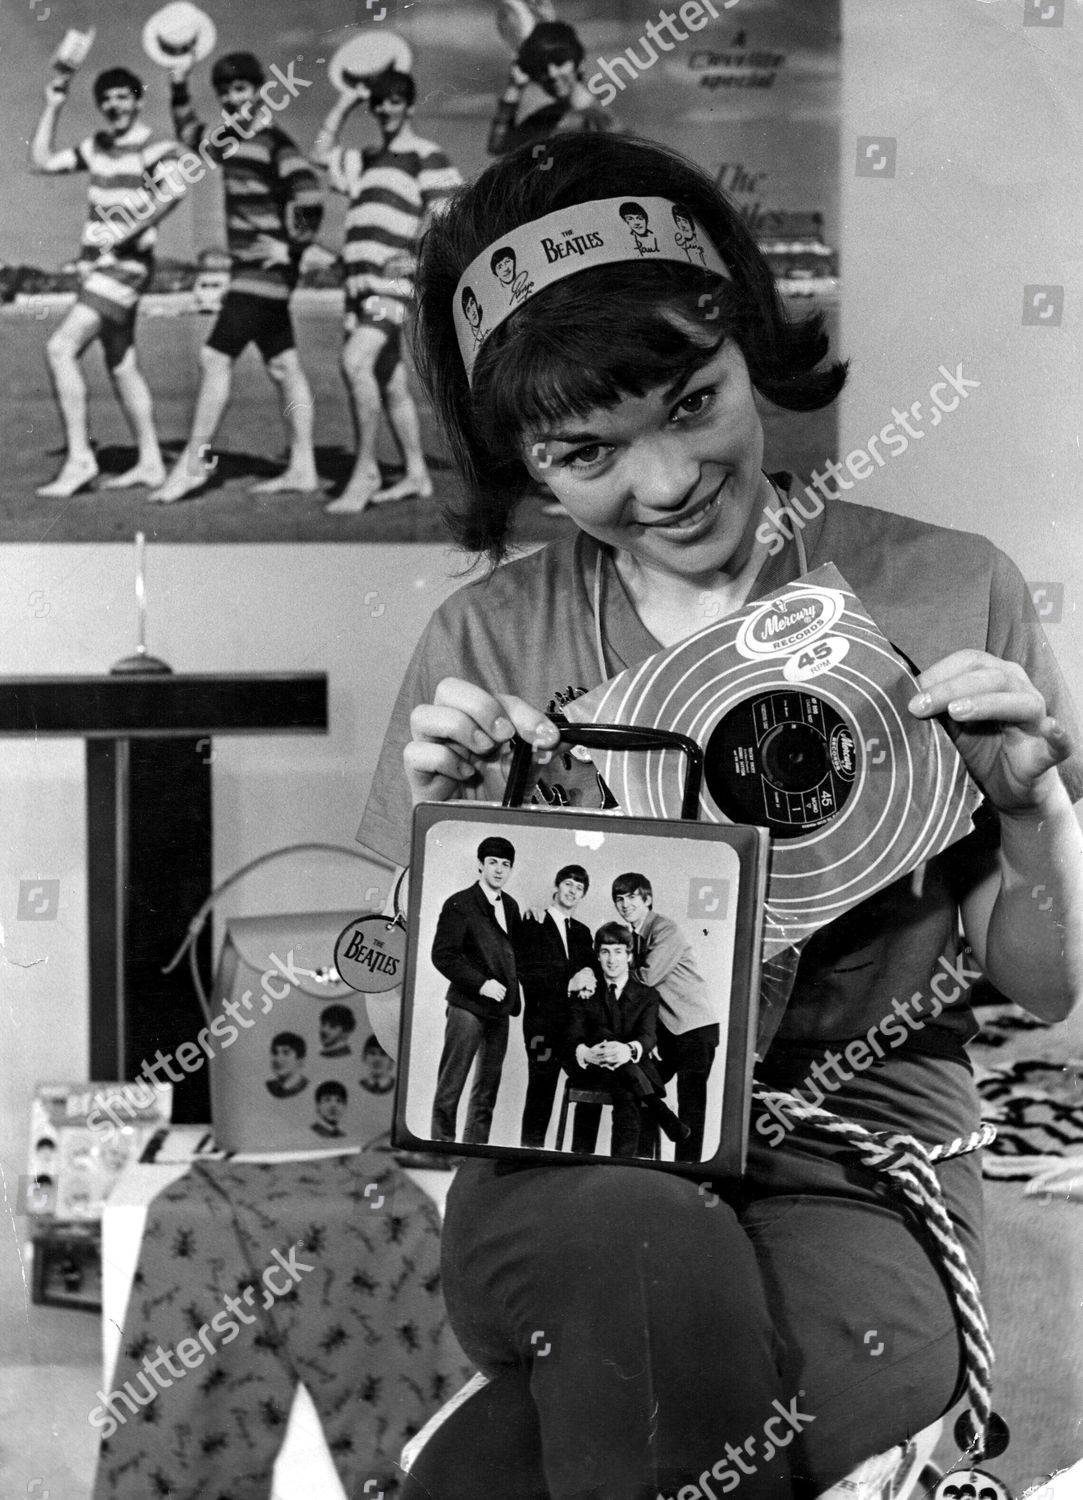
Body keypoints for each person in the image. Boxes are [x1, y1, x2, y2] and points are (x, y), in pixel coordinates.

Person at [356, 133, 1083, 1498]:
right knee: (634, 1227)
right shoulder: (487, 639)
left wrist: (1031, 808)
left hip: (852, 1176)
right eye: (584, 451)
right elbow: (385, 993)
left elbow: (1042, 988)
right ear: (521, 461)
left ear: (747, 346)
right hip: (566, 1165)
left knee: (510, 1463)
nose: (664, 481)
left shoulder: (942, 589)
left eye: (692, 401)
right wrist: (436, 860)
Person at [151, 50, 323, 503]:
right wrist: (178, 84)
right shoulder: (229, 140)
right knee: (283, 365)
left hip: (263, 274)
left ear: (259, 91)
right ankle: (304, 468)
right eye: (225, 92)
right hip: (255, 272)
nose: (231, 99)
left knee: (213, 359)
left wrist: (294, 247)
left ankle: (192, 465)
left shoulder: (273, 141)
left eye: (240, 89)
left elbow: (308, 191)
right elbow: (189, 131)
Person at [28, 62, 185, 497]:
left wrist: (131, 228)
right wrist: (52, 105)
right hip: (97, 267)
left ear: (136, 99)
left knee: (60, 348)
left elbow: (175, 188)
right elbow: (40, 161)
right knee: (122, 364)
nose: (114, 105)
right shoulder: (96, 146)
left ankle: (80, 461)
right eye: (107, 98)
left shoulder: (153, 144)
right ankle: (152, 462)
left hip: (126, 265)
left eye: (122, 96)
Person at [312, 68, 461, 514]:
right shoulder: (364, 158)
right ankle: (416, 473)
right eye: (378, 102)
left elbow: (448, 210)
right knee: (388, 380)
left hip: (392, 283)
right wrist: (346, 100)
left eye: (394, 100)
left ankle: (366, 472)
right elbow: (321, 152)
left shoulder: (426, 155)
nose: (385, 108)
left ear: (409, 104)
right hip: (357, 283)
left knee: (354, 361)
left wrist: (415, 254)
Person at [612, 872, 721, 1162]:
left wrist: (611, 974)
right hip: (668, 1034)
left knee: (691, 1106)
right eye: (619, 899)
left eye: (632, 897)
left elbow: (646, 978)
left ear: (647, 899)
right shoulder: (631, 937)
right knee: (642, 1088)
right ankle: (643, 1160)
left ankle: (688, 1171)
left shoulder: (665, 929)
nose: (625, 904)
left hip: (695, 1028)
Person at [564, 921, 688, 1158]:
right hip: (595, 1068)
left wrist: (628, 1051)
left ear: (629, 956)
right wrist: (586, 1053)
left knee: (625, 1085)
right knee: (622, 1071)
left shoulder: (648, 995)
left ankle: (616, 1166)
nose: (612, 959)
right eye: (605, 952)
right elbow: (573, 1034)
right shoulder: (586, 989)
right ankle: (655, 1112)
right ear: (597, 956)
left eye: (619, 952)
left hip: (628, 1072)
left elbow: (648, 1036)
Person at [429, 837, 521, 1144]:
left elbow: (514, 953)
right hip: (467, 1007)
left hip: (500, 1010)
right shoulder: (460, 903)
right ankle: (441, 1150)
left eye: (505, 864)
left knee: (487, 1091)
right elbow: (443, 956)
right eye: (493, 862)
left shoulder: (511, 905)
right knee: (451, 1086)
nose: (499, 870)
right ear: (480, 864)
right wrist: (482, 984)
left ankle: (473, 1155)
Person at [516, 863, 595, 1147]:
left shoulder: (584, 933)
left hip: (574, 1030)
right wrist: (568, 984)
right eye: (569, 884)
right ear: (557, 886)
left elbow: (589, 973)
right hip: (541, 1026)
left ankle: (579, 1160)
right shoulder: (533, 922)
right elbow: (527, 973)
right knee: (540, 1092)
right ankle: (528, 1157)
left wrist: (588, 980)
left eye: (579, 888)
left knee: (591, 1085)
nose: (573, 891)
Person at [487, 21, 616, 158]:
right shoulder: (543, 119)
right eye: (543, 68)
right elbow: (498, 146)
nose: (552, 73)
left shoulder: (598, 117)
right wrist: (514, 87)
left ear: (579, 63)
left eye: (560, 62)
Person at [265, 1032, 309, 1098]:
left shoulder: (307, 1089)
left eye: (286, 1053)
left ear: (300, 1060)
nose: (278, 1059)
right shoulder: (268, 1087)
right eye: (275, 1052)